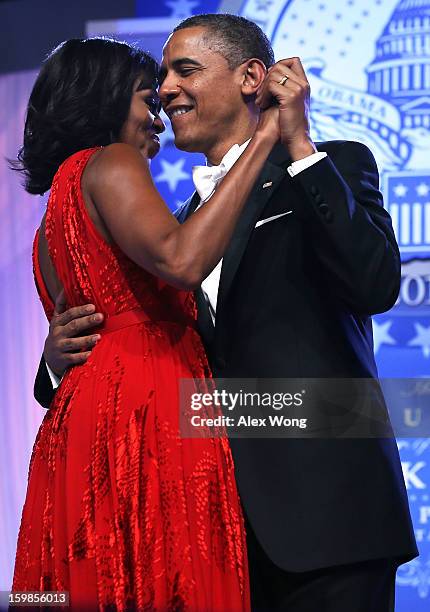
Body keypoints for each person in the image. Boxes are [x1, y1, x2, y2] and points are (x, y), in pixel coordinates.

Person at [34, 14, 418, 612]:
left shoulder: (328, 165)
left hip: (330, 518)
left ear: (251, 77)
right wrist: (55, 364)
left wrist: (297, 147)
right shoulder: (182, 224)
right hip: (210, 529)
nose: (164, 89)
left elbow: (375, 285)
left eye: (185, 70)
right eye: (160, 76)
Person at [11, 36, 283, 611]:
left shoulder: (48, 223)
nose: (157, 114)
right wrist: (264, 140)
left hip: (84, 418)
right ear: (106, 101)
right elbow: (182, 260)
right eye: (145, 98)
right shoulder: (110, 162)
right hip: (145, 406)